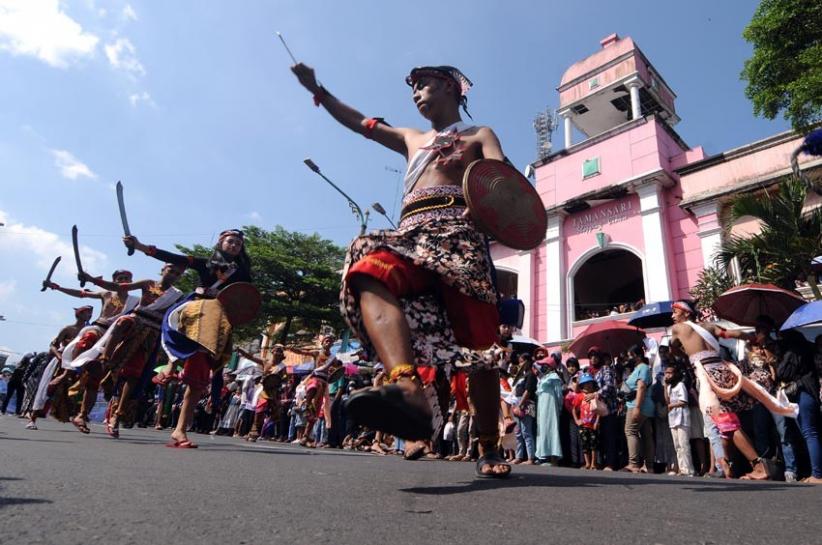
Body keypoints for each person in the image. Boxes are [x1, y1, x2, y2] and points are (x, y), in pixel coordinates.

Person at [292, 62, 513, 477]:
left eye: (423, 85)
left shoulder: (480, 134)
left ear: (449, 86)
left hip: (461, 240)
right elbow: (361, 123)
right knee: (368, 268)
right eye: (413, 89)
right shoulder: (412, 137)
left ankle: (488, 445)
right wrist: (317, 89)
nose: (416, 94)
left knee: (481, 350)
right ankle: (406, 382)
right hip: (411, 237)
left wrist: (495, 208)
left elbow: (502, 183)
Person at [124, 229, 252, 448]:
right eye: (230, 242)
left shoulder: (242, 274)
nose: (234, 246)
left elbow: (246, 298)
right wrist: (141, 247)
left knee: (199, 374)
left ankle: (180, 429)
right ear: (221, 242)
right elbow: (175, 259)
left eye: (238, 244)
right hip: (195, 310)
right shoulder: (203, 263)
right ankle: (170, 367)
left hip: (216, 320)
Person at [670, 300, 797, 480]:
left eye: (675, 311)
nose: (672, 315)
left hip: (708, 377)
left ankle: (758, 465)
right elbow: (731, 333)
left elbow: (673, 347)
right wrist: (751, 338)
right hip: (724, 372)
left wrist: (682, 354)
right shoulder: (709, 327)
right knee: (725, 424)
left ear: (686, 313)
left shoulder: (678, 328)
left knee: (726, 421)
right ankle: (726, 466)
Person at [72, 264, 185, 437]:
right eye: (171, 270)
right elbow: (118, 288)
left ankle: (117, 416)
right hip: (133, 324)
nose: (174, 274)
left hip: (151, 334)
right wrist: (91, 279)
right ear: (162, 270)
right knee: (122, 323)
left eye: (178, 273)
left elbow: (176, 318)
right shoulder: (148, 283)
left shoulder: (177, 296)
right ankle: (104, 359)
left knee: (134, 375)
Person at [46, 270, 140, 433]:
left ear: (131, 282)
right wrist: (57, 287)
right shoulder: (106, 293)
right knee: (87, 338)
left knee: (94, 379)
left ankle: (82, 416)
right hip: (98, 329)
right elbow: (82, 294)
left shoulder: (136, 301)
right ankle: (66, 374)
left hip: (113, 339)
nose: (123, 281)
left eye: (126, 279)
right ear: (114, 280)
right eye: (120, 279)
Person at [776, 330, 822, 484]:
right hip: (810, 392)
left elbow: (782, 372)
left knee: (809, 433)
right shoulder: (808, 348)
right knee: (812, 433)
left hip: (803, 393)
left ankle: (817, 474)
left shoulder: (793, 351)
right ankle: (816, 472)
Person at [622, 344, 655, 473]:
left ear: (638, 356)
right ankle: (649, 465)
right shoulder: (638, 369)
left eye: (631, 356)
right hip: (643, 406)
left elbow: (641, 387)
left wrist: (637, 407)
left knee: (630, 431)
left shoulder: (643, 368)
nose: (629, 358)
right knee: (646, 435)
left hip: (638, 405)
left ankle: (633, 463)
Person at [586, 347, 618, 470]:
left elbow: (610, 386)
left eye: (595, 356)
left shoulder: (605, 369)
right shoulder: (589, 372)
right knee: (598, 436)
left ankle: (610, 463)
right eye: (591, 356)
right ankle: (599, 461)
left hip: (608, 408)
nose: (593, 358)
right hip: (595, 410)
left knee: (609, 436)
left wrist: (596, 394)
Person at [664, 363, 694, 476]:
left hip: (682, 418)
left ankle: (688, 469)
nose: (667, 375)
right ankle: (682, 468)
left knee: (684, 444)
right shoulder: (670, 387)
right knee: (677, 445)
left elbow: (684, 401)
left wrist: (672, 406)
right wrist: (664, 386)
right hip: (673, 418)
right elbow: (667, 401)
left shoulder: (680, 385)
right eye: (666, 373)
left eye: (670, 373)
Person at [534, 353, 564, 465]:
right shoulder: (543, 378)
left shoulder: (554, 377)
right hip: (542, 407)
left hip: (551, 406)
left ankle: (554, 457)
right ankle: (545, 456)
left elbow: (559, 394)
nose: (543, 367)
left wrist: (560, 407)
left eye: (545, 365)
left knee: (552, 429)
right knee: (543, 429)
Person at [573, 374, 600, 470]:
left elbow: (598, 410)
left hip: (593, 424)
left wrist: (597, 421)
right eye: (585, 384)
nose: (588, 386)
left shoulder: (595, 395)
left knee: (594, 444)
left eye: (590, 383)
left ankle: (594, 463)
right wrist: (577, 420)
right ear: (582, 385)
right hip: (583, 425)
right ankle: (587, 463)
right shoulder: (579, 396)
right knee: (585, 444)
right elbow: (574, 409)